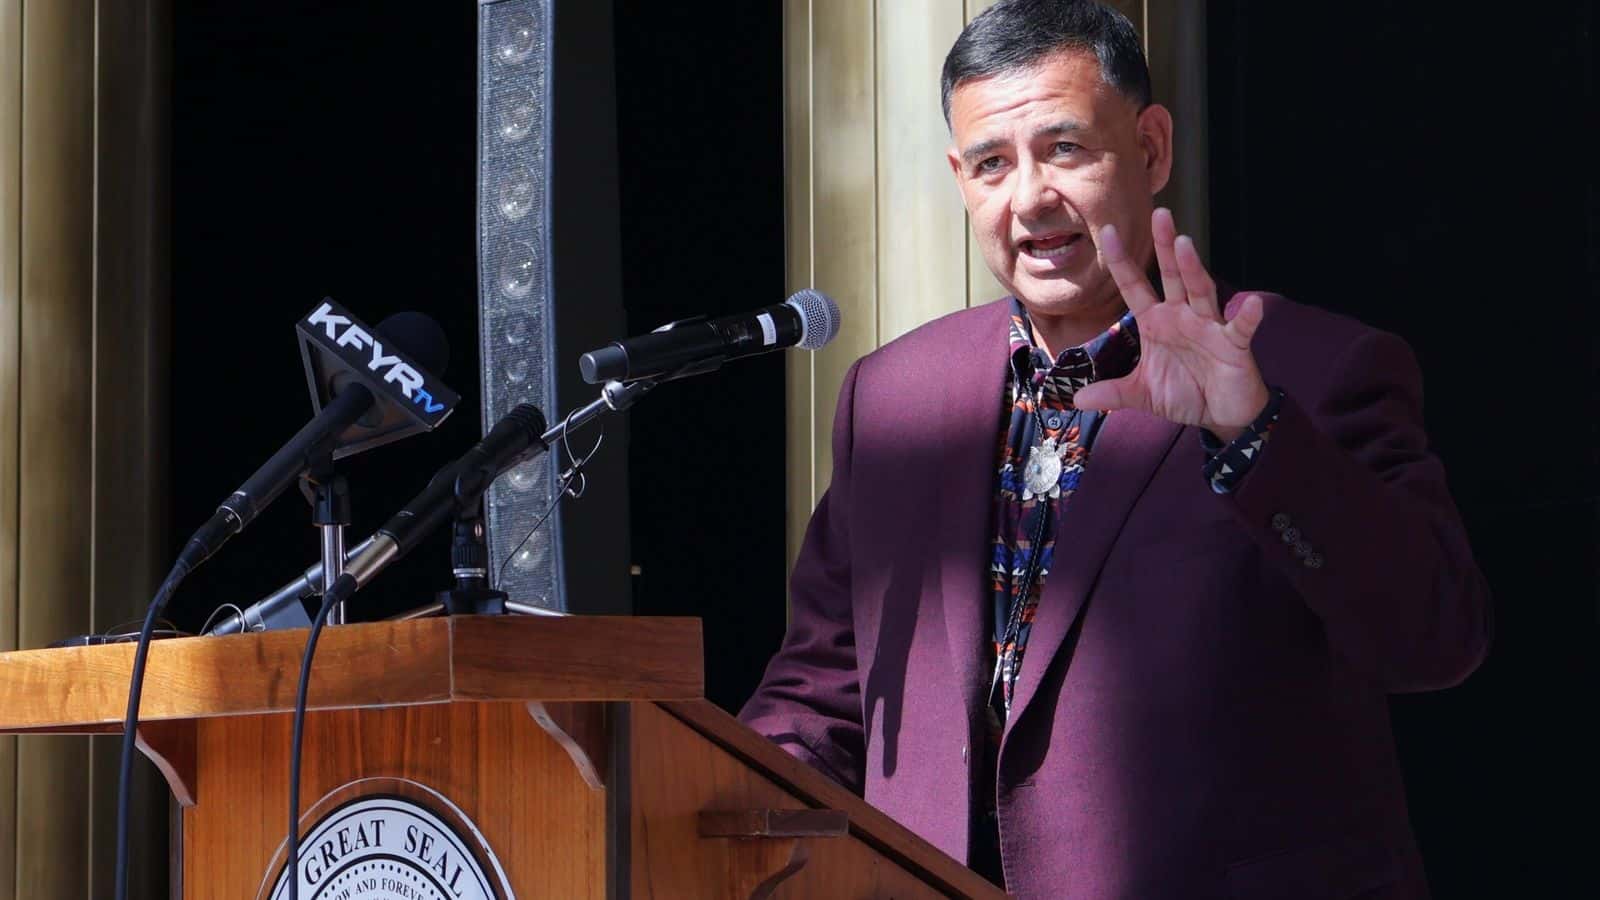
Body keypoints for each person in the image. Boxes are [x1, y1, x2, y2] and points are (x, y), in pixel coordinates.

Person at [737, 0, 1492, 897]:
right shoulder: (895, 396)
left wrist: (1253, 435)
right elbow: (822, 688)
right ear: (959, 177)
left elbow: (1434, 640)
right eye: (991, 163)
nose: (1029, 198)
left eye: (1064, 149)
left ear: (1152, 148)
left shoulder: (1312, 369)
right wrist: (710, 801)